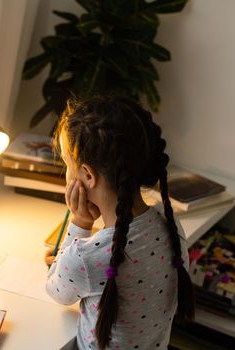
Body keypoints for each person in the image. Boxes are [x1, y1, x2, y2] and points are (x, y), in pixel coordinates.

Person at [44, 96, 195, 350]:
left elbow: (56, 291)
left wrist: (80, 222)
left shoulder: (86, 257)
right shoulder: (169, 222)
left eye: (68, 165)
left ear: (88, 175)